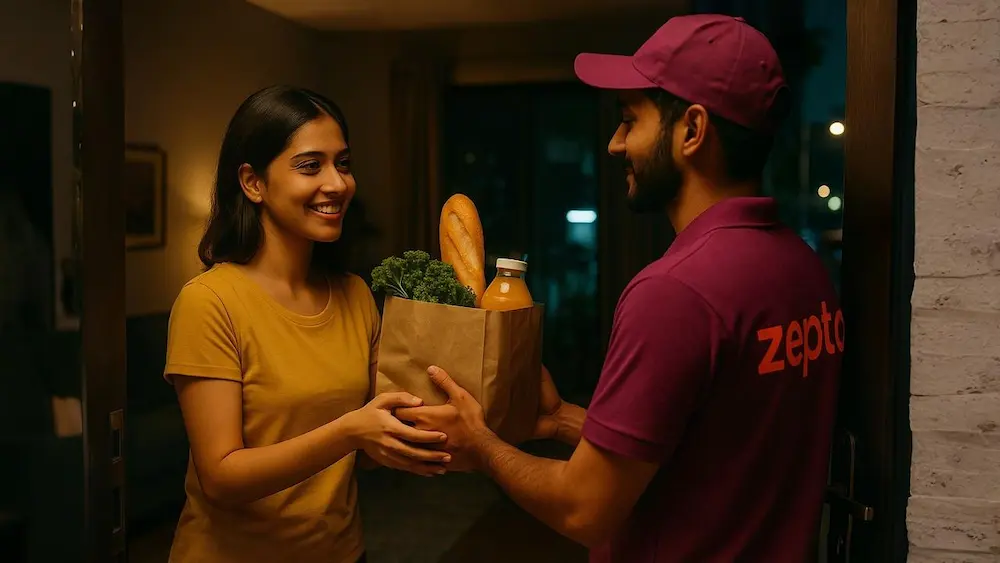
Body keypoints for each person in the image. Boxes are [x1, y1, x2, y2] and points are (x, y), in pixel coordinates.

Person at [396, 14, 843, 562]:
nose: (615, 143)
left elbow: (583, 509)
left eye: (630, 120)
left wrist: (481, 445)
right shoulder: (804, 269)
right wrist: (563, 420)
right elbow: (716, 448)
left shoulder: (675, 292)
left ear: (692, 130)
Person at [163, 85, 451, 563]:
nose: (337, 184)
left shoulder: (355, 294)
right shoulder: (209, 302)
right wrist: (350, 432)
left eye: (343, 163)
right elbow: (221, 478)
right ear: (253, 183)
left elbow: (372, 447)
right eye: (310, 165)